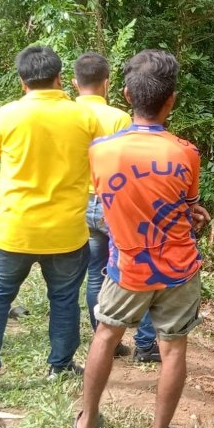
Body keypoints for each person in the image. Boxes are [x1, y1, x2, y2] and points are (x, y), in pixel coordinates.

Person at [73, 49, 210, 428]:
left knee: (106, 334)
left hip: (128, 267)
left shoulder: (100, 152)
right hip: (179, 270)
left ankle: (85, 423)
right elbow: (186, 206)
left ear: (128, 96)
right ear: (172, 100)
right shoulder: (187, 154)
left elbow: (122, 202)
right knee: (173, 348)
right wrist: (193, 213)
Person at [0, 46, 103, 391]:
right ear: (59, 78)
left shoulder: (9, 115)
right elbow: (101, 155)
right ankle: (62, 365)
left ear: (22, 82)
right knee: (64, 299)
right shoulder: (85, 118)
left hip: (15, 230)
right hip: (66, 232)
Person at [72, 52, 160, 362]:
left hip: (83, 203)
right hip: (115, 205)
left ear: (73, 83)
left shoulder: (66, 115)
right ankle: (146, 345)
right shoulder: (118, 118)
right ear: (107, 83)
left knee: (96, 273)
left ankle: (106, 341)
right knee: (142, 267)